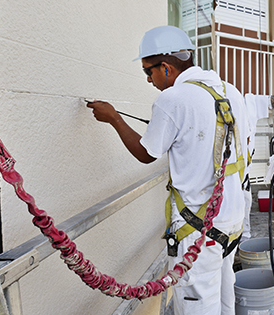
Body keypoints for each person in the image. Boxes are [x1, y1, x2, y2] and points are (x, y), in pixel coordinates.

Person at [87, 26, 248, 315]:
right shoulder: (230, 91)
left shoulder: (173, 99)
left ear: (166, 67)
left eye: (148, 72)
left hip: (199, 229)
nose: (149, 80)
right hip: (232, 220)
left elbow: (146, 153)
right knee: (224, 298)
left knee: (197, 306)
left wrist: (113, 118)